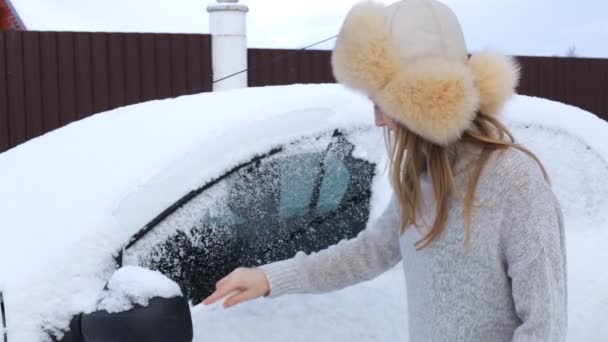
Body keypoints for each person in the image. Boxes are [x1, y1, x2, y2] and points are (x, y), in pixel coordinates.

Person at [203, 0, 568, 340]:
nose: (377, 120)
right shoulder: (420, 177)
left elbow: (544, 326)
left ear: (422, 100)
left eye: (385, 103)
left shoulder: (514, 181)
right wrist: (269, 277)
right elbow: (371, 252)